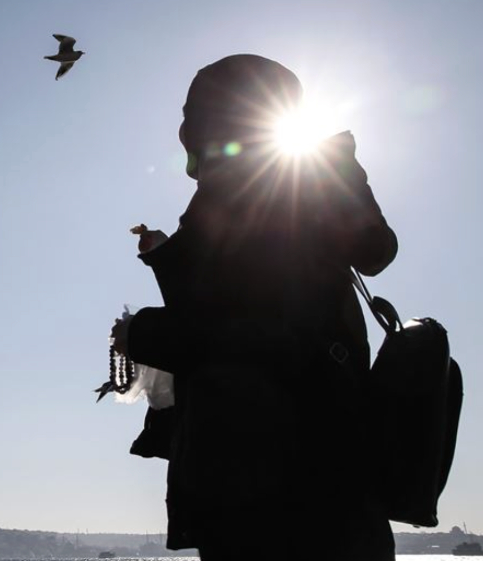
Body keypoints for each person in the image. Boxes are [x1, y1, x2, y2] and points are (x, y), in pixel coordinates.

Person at [110, 54, 397, 561]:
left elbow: (258, 335)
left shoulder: (252, 198)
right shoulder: (304, 189)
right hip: (329, 474)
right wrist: (170, 259)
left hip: (266, 486)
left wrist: (143, 334)